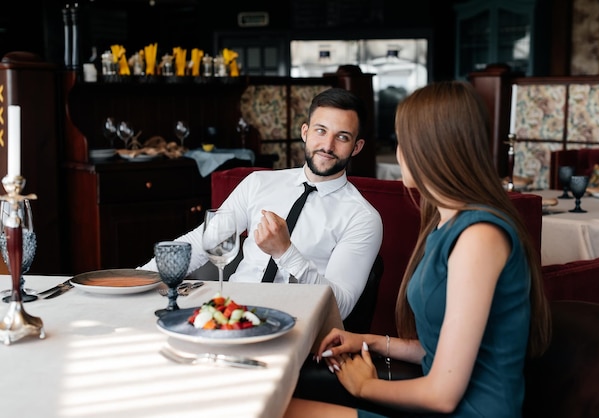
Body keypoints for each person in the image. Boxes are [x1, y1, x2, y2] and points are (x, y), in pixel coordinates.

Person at [284, 81, 552, 417]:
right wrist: (370, 340)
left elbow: (443, 394)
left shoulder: (479, 236)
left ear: (432, 147)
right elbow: (441, 347)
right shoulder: (446, 222)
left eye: (402, 140)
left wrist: (364, 385)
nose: (398, 153)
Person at [140, 87, 383, 320]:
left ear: (357, 147)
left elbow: (339, 307)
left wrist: (285, 252)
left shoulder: (362, 217)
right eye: (321, 131)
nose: (328, 146)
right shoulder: (258, 183)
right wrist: (140, 279)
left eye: (342, 137)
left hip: (298, 324)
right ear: (305, 132)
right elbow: (204, 241)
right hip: (229, 313)